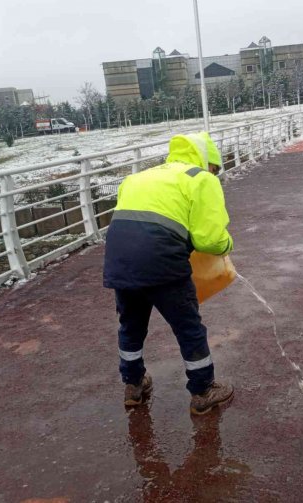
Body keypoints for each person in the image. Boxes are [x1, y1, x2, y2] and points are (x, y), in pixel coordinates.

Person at [103, 132, 235, 416]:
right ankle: (203, 391)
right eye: (215, 168)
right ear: (207, 161)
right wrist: (227, 244)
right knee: (189, 328)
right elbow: (209, 241)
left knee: (131, 326)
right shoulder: (201, 178)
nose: (214, 173)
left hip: (120, 260)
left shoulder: (138, 177)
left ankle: (134, 386)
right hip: (162, 261)